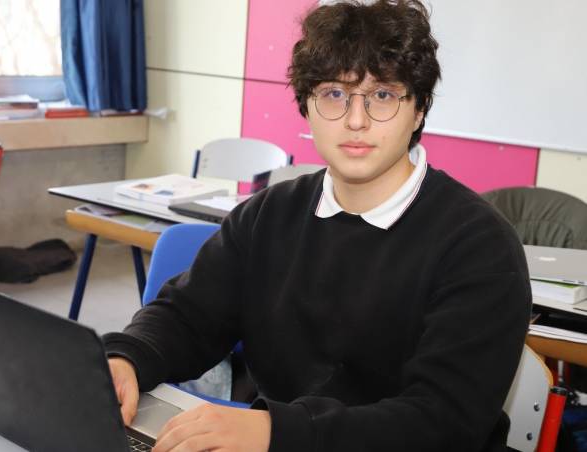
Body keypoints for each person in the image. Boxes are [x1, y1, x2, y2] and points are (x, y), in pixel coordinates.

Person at [104, 1, 531, 450]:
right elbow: (189, 316)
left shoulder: (480, 247)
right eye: (333, 94)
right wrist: (128, 358)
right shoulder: (268, 214)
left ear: (419, 108)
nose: (356, 120)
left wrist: (277, 432)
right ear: (306, 107)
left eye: (383, 95)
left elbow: (442, 423)